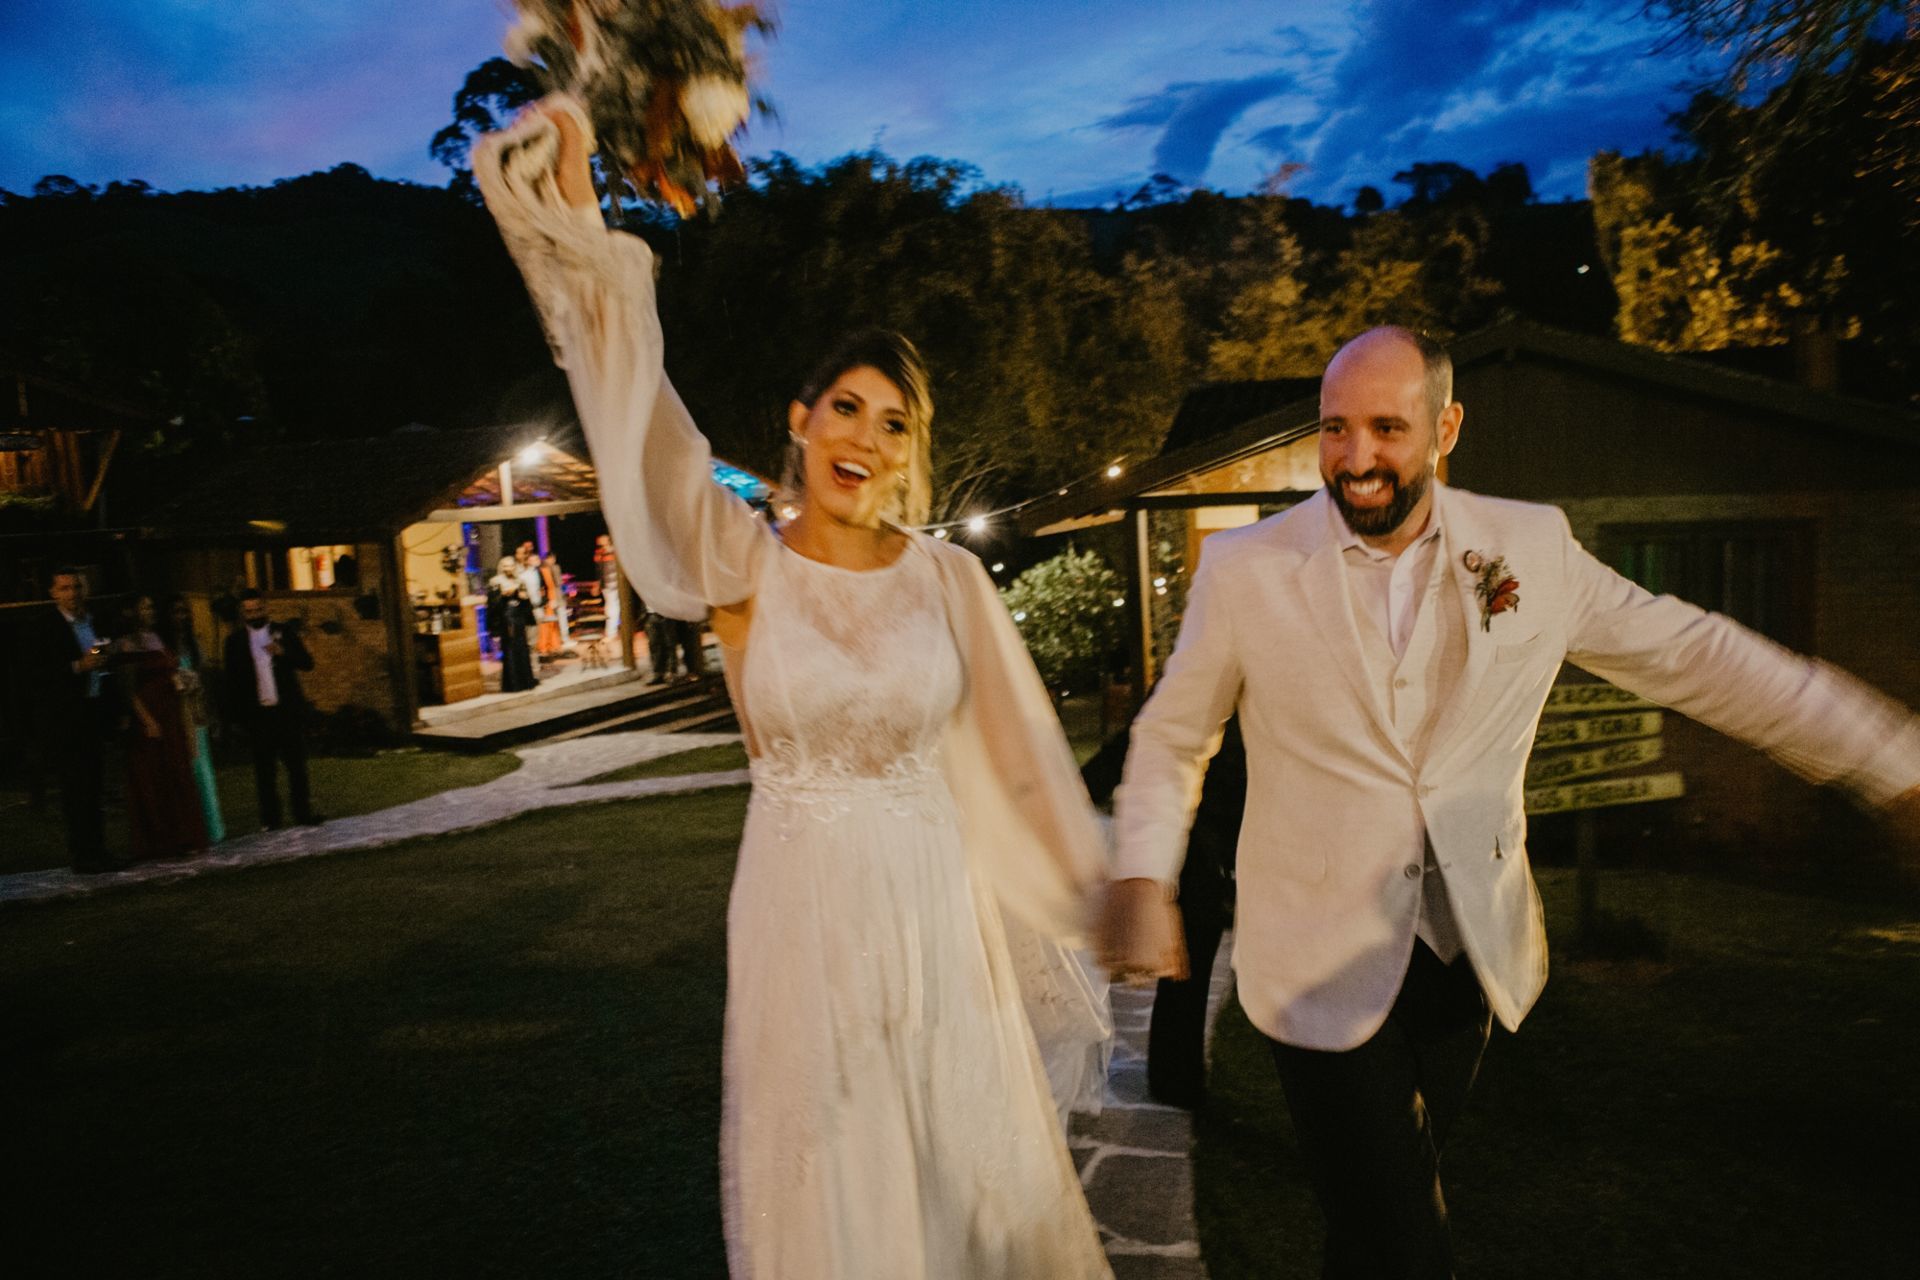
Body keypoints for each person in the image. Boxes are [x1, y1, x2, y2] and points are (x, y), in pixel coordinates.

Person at [1101, 324, 1920, 1277]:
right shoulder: (1247, 568)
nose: (1355, 458)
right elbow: (1172, 733)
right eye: (1334, 428)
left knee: (1370, 1227)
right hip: (1311, 961)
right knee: (1407, 1245)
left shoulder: (1531, 548)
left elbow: (1697, 656)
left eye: (1386, 428)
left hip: (1467, 956)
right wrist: (1143, 871)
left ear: (1446, 428)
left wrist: (1890, 759)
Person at [477, 97, 1114, 1279]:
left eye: (894, 421)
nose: (866, 436)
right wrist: (577, 208)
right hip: (802, 914)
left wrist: (1098, 886)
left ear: (911, 447)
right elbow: (631, 397)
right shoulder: (740, 563)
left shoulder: (946, 578)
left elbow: (1024, 752)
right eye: (847, 408)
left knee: (959, 1175)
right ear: (800, 422)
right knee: (837, 1181)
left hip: (936, 912)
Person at [1081, 715, 1243, 1108]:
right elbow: (1139, 740)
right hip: (1196, 846)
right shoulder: (1199, 701)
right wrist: (1077, 791)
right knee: (1186, 967)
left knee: (1195, 967)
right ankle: (1176, 1078)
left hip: (1232, 840)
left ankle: (1177, 1076)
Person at [27, 567, 117, 871]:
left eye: (76, 587)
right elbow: (35, 674)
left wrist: (102, 661)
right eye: (65, 588)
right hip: (66, 718)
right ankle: (82, 853)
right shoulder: (44, 627)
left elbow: (102, 656)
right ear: (53, 593)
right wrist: (77, 667)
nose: (72, 594)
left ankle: (98, 849)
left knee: (95, 785)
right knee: (75, 787)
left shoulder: (93, 621)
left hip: (93, 710)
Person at [114, 594, 210, 861]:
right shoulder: (126, 643)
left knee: (176, 772)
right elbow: (127, 688)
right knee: (153, 776)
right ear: (132, 611)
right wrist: (147, 720)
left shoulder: (158, 637)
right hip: (149, 714)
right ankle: (159, 840)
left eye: (151, 606)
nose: (151, 611)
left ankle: (182, 836)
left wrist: (183, 683)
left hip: (171, 711)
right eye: (145, 607)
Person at [221, 589, 322, 830]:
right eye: (249, 611)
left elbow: (307, 663)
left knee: (296, 766)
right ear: (242, 613)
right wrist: (237, 718)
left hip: (286, 711)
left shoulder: (283, 632)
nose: (254, 615)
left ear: (265, 608)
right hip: (258, 715)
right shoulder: (234, 642)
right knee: (264, 770)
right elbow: (232, 682)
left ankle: (303, 813)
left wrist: (284, 652)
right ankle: (271, 819)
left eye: (258, 609)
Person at [163, 594, 226, 844]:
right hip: (177, 711)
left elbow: (203, 676)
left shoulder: (193, 643)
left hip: (195, 709)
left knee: (202, 766)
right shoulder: (165, 646)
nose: (182, 617)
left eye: (184, 612)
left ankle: (211, 827)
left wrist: (207, 708)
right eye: (176, 612)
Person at [486, 557, 538, 692]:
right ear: (501, 567)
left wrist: (524, 598)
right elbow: (492, 605)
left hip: (519, 618)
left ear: (514, 567)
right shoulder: (495, 581)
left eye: (510, 566)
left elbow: (526, 602)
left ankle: (526, 681)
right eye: (505, 566)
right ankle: (513, 684)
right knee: (510, 650)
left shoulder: (520, 581)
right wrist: (503, 595)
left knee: (522, 649)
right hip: (506, 619)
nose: (508, 569)